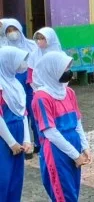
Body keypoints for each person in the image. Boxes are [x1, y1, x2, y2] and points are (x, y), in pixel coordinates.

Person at [32, 51, 91, 202]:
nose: (68, 72)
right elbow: (50, 132)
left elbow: (77, 122)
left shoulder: (69, 92)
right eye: (64, 69)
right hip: (56, 149)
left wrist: (85, 146)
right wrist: (75, 155)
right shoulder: (41, 97)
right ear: (52, 70)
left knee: (73, 190)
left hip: (73, 145)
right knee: (63, 194)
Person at [0, 46, 32, 201]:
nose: (23, 64)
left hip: (18, 136)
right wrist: (11, 143)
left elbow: (23, 113)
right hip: (3, 138)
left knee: (16, 179)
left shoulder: (16, 84)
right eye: (19, 60)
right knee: (3, 179)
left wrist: (26, 139)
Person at [27, 27, 63, 151]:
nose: (39, 41)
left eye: (43, 38)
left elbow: (64, 77)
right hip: (40, 94)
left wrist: (58, 90)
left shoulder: (60, 55)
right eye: (38, 38)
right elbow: (30, 77)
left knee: (58, 122)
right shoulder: (34, 55)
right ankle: (44, 147)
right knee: (43, 122)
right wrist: (40, 91)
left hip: (59, 94)